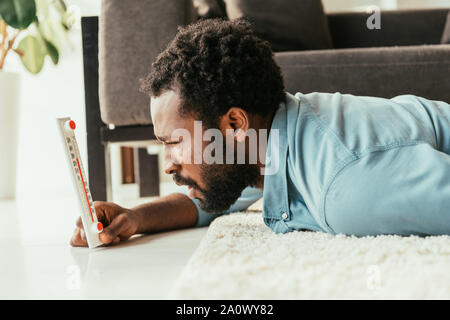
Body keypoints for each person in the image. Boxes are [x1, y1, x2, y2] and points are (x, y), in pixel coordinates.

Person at [70, 18, 450, 247]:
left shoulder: (345, 191)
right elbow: (214, 198)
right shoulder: (266, 141)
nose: (168, 164)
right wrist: (134, 218)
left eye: (174, 143)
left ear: (233, 125)